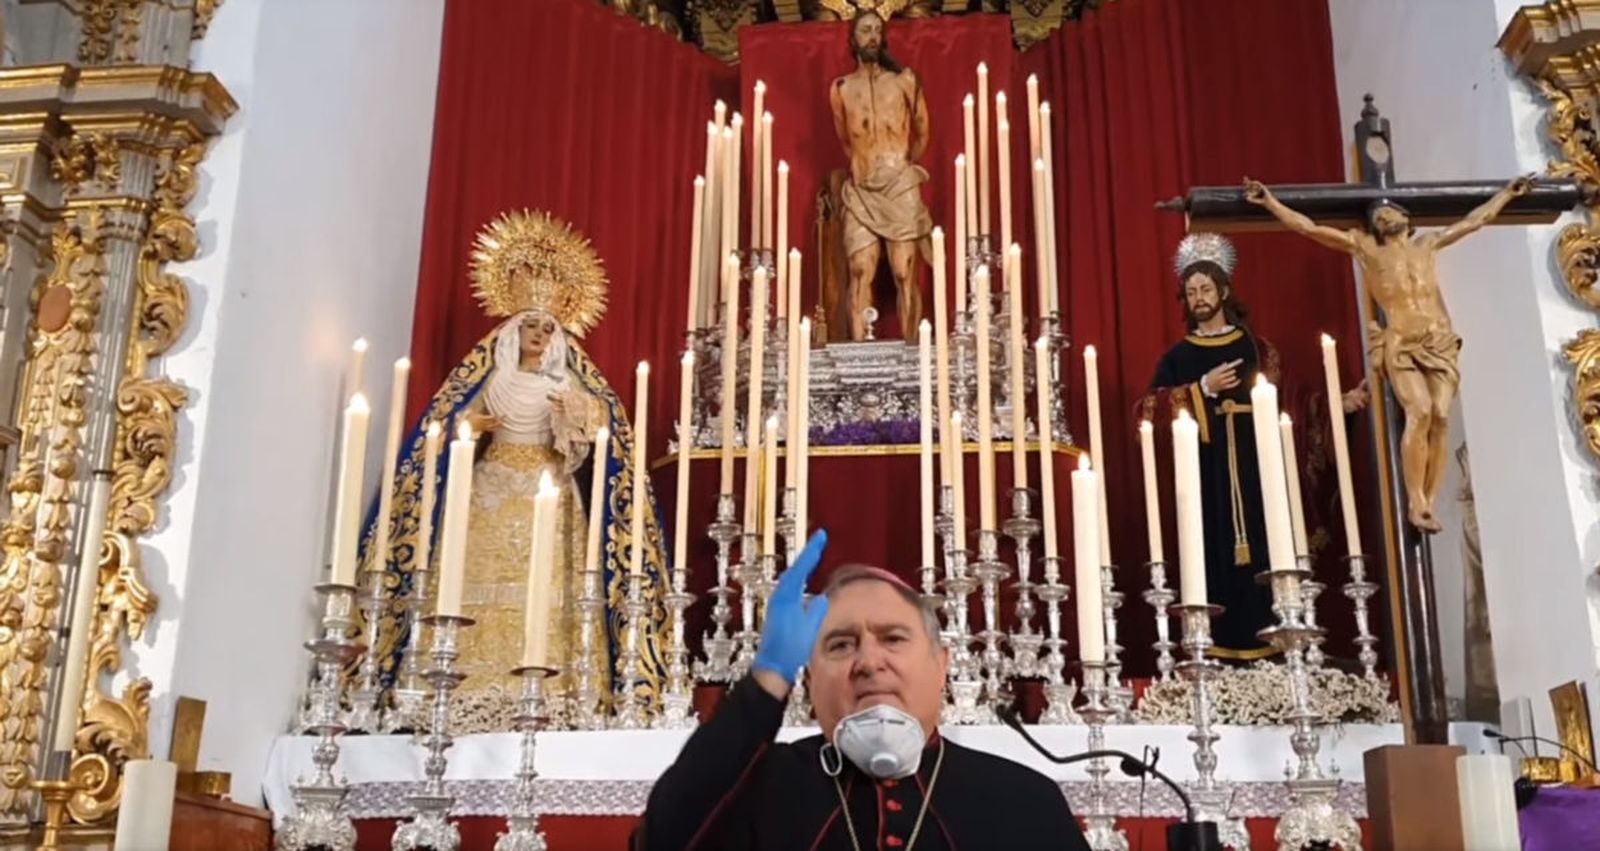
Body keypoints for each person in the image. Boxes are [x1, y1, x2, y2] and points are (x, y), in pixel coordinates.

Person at [359, 210, 670, 732]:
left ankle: (558, 690)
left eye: (548, 329)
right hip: (491, 486)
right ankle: (458, 689)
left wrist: (575, 416)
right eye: (530, 326)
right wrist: (471, 424)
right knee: (467, 574)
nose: (539, 335)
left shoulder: (566, 385)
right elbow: (451, 424)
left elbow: (598, 433)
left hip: (548, 487)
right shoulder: (493, 376)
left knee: (551, 587)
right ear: (510, 330)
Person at [636, 531, 1091, 850]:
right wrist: (766, 679)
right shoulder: (755, 789)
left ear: (942, 666)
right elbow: (664, 838)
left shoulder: (1023, 798)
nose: (869, 662)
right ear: (809, 680)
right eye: (840, 644)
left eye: (893, 638)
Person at [1244, 174, 1533, 532]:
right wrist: (1271, 203)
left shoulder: (1427, 244)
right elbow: (1310, 228)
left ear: (1408, 220)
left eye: (1391, 210)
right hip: (1401, 342)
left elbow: (1475, 221)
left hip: (1439, 341)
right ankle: (1417, 500)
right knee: (1420, 410)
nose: (1383, 215)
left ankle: (1429, 497)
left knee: (1441, 415)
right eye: (1378, 214)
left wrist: (1506, 195)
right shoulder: (1366, 249)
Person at [1137, 234, 1368, 659]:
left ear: (1224, 290)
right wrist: (1201, 389)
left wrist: (1339, 405)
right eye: (1191, 292)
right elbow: (1147, 413)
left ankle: (1278, 642)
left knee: (1268, 546)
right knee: (1210, 552)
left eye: (1206, 288)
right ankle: (1215, 649)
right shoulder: (1177, 357)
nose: (1199, 298)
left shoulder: (1258, 351)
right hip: (1206, 480)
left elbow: (1297, 408)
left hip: (1259, 470)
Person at [829, 10, 932, 341]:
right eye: (864, 30)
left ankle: (914, 350)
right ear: (853, 39)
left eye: (876, 30)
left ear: (883, 37)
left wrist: (899, 169)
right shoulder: (841, 88)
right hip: (862, 189)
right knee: (860, 270)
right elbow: (847, 140)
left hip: (899, 184)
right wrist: (866, 168)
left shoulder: (905, 82)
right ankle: (859, 351)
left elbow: (922, 132)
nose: (871, 36)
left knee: (904, 271)